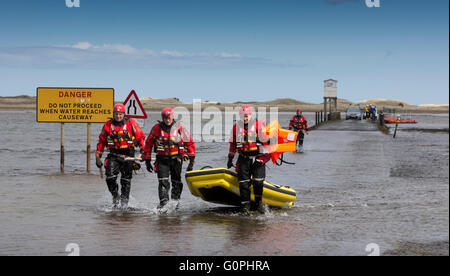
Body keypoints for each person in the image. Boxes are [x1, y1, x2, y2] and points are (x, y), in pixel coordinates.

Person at [143, 107, 196, 211]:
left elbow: (189, 143)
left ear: (173, 117)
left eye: (169, 118)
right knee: (163, 182)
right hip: (162, 159)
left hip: (177, 159)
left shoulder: (180, 128)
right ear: (162, 118)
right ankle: (163, 204)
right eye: (165, 118)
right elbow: (148, 143)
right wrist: (147, 160)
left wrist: (191, 161)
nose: (168, 120)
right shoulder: (156, 128)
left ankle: (175, 204)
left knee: (176, 182)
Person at [95, 103, 146, 208]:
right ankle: (115, 195)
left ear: (124, 114)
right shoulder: (107, 125)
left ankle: (124, 205)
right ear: (113, 114)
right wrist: (98, 156)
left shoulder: (131, 123)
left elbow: (141, 137)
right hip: (114, 155)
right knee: (109, 178)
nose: (118, 116)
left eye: (120, 114)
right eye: (116, 114)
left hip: (128, 155)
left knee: (126, 181)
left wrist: (143, 151)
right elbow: (101, 141)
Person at [227, 104, 271, 215]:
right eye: (242, 116)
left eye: (246, 116)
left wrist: (262, 159)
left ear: (250, 115)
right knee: (243, 184)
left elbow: (267, 145)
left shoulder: (259, 125)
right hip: (243, 159)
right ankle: (245, 208)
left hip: (258, 158)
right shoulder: (236, 127)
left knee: (258, 182)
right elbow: (233, 145)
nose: (245, 118)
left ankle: (259, 204)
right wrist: (230, 158)